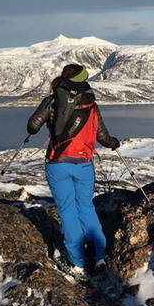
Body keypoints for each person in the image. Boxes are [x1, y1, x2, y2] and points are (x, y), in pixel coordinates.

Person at [27, 63, 121, 278]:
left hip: (57, 164)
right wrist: (113, 143)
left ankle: (77, 263)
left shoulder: (52, 101)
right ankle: (98, 258)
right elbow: (103, 137)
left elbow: (32, 126)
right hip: (84, 164)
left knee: (67, 211)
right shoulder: (91, 104)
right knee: (86, 208)